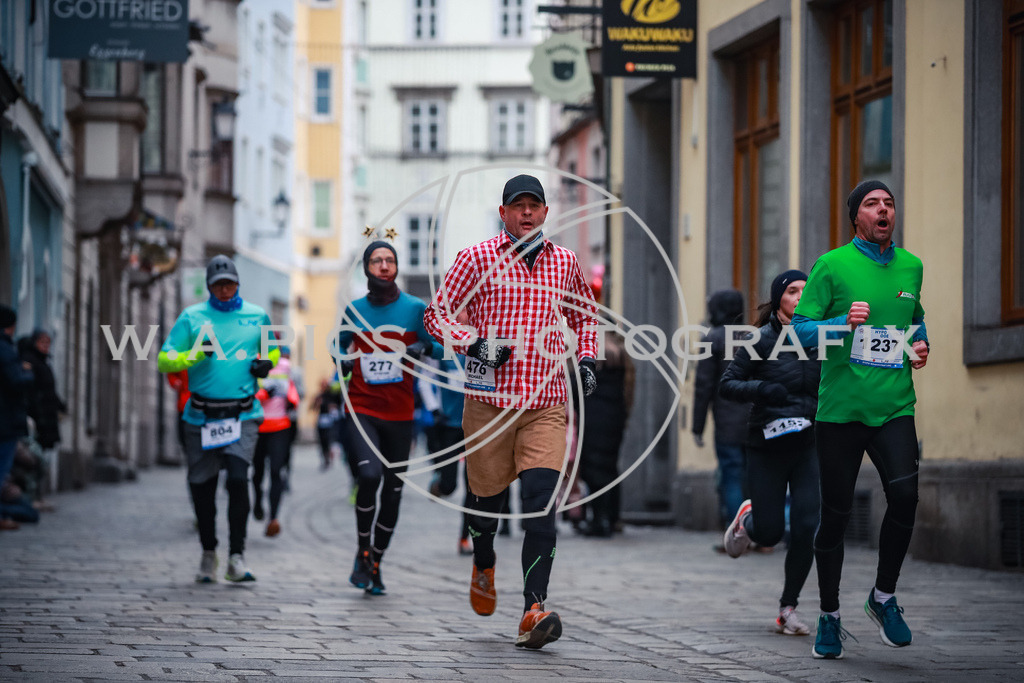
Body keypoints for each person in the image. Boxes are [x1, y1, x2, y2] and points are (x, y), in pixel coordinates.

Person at [423, 173, 600, 649]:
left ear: (545, 212)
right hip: (488, 404)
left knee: (542, 504)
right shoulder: (475, 258)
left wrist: (585, 359)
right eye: (517, 206)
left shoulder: (564, 262)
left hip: (545, 404)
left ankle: (532, 609)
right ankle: (484, 561)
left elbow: (584, 317)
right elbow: (435, 315)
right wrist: (475, 341)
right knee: (487, 505)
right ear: (503, 213)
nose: (526, 213)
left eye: (534, 206)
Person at [791, 180, 929, 659]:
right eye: (872, 204)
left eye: (889, 202)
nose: (883, 209)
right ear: (857, 217)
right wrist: (840, 324)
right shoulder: (831, 265)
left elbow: (914, 317)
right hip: (842, 410)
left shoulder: (912, 267)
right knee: (836, 516)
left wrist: (920, 342)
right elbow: (802, 331)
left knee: (906, 496)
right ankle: (829, 614)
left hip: (894, 405)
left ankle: (883, 597)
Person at [158, 255, 278, 583]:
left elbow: (272, 349)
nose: (224, 290)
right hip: (200, 416)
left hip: (243, 413)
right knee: (203, 486)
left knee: (239, 479)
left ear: (238, 283)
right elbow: (164, 360)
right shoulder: (192, 318)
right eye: (218, 285)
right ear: (209, 287)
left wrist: (265, 363)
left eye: (229, 284)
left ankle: (236, 557)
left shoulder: (257, 315)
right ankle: (209, 552)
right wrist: (193, 355)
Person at [718, 269, 821, 637]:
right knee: (769, 534)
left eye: (806, 291)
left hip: (809, 444)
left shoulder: (821, 337)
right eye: (793, 291)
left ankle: (788, 607)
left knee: (807, 527)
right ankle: (748, 521)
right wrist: (763, 389)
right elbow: (728, 384)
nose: (800, 296)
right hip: (767, 445)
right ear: (780, 299)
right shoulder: (760, 340)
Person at [336, 240, 441, 596]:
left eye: (390, 260)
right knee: (368, 476)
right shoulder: (354, 309)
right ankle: (363, 550)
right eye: (377, 260)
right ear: (367, 268)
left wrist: (423, 347)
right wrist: (343, 357)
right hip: (361, 406)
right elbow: (339, 345)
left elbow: (441, 346)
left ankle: (375, 561)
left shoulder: (414, 308)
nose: (384, 265)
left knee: (393, 493)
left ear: (396, 267)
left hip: (399, 414)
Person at [692, 290, 752, 533]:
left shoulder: (713, 338)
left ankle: (739, 532)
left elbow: (703, 385)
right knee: (754, 477)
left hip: (727, 422)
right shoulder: (754, 336)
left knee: (732, 476)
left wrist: (697, 426)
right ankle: (759, 531)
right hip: (756, 420)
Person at [578, 329, 634, 538]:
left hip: (592, 418)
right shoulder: (622, 353)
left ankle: (599, 519)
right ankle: (612, 517)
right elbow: (629, 388)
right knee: (610, 468)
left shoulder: (593, 352)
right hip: (615, 418)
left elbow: (578, 387)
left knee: (593, 470)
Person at [252, 355, 301, 537]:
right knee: (257, 472)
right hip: (258, 425)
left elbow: (293, 389)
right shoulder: (252, 361)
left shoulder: (285, 365)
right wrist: (264, 394)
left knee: (276, 471)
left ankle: (273, 518)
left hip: (280, 426)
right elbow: (246, 390)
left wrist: (292, 400)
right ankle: (257, 501)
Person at [19, 328, 66, 494]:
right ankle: (33, 495)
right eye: (42, 342)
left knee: (41, 454)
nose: (46, 346)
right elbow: (32, 390)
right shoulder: (30, 361)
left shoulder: (44, 362)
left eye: (48, 343)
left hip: (46, 414)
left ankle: (37, 494)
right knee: (33, 457)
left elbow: (49, 390)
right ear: (35, 342)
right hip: (36, 415)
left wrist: (60, 405)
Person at [1, 304, 34, 531]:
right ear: (10, 327)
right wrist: (27, 370)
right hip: (5, 422)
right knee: (1, 470)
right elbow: (17, 381)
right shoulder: (6, 350)